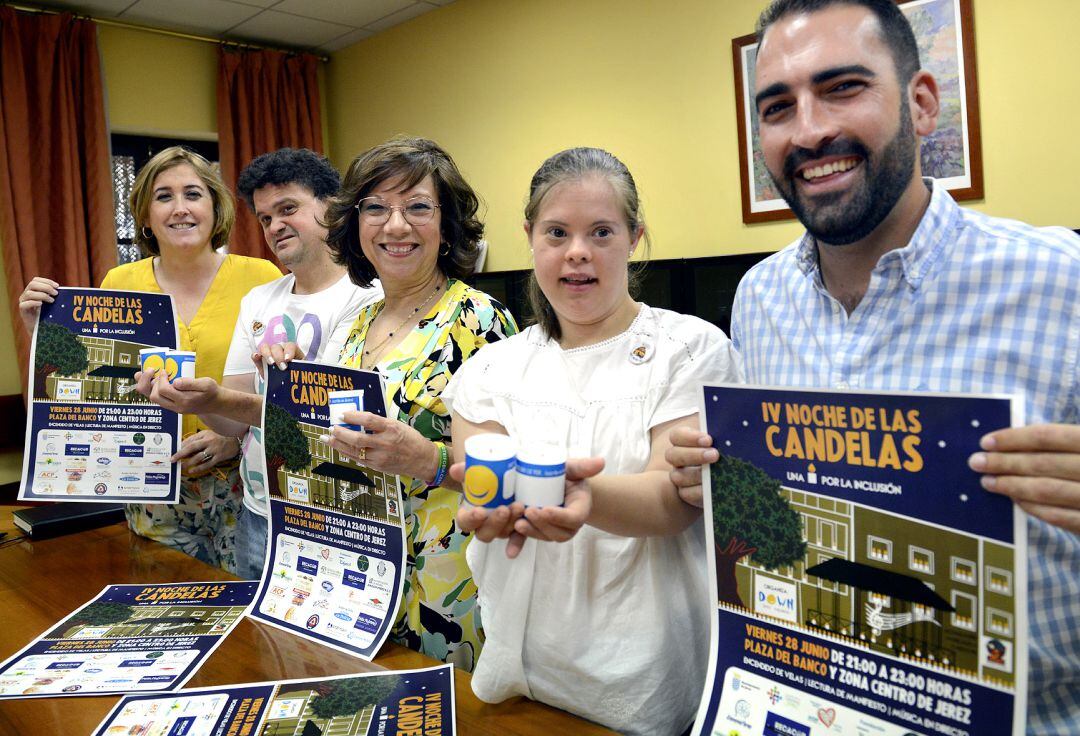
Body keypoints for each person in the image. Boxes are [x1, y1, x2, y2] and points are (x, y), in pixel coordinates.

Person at [666, 2, 1080, 733]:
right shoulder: (758, 300)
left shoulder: (1062, 282)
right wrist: (709, 478)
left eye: (844, 87)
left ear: (922, 104)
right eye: (777, 106)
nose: (810, 129)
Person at [442, 147, 741, 735]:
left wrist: (579, 492)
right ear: (529, 237)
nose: (577, 251)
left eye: (601, 231)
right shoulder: (490, 370)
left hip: (643, 673)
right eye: (557, 232)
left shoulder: (689, 349)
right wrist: (487, 509)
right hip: (521, 667)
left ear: (634, 239)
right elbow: (482, 486)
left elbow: (671, 500)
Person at [19, 147, 282, 573]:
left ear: (216, 208)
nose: (180, 208)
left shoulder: (264, 279)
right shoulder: (120, 283)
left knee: (247, 622)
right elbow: (96, 383)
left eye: (194, 194)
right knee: (172, 611)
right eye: (164, 196)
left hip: (246, 488)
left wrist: (230, 439)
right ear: (144, 215)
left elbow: (280, 388)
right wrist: (41, 332)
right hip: (152, 486)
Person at [308, 136, 517, 671]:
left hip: (448, 583)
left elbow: (512, 479)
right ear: (355, 224)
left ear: (446, 225)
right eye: (375, 208)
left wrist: (426, 457)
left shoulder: (480, 320)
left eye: (418, 207)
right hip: (363, 572)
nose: (395, 225)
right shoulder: (355, 325)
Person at [133, 148, 382, 580]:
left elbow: (333, 422)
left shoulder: (370, 298)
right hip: (258, 511)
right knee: (253, 643)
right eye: (265, 218)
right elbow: (232, 420)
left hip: (331, 515)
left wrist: (290, 389)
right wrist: (198, 401)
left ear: (331, 206)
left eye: (288, 209)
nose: (275, 226)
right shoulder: (261, 300)